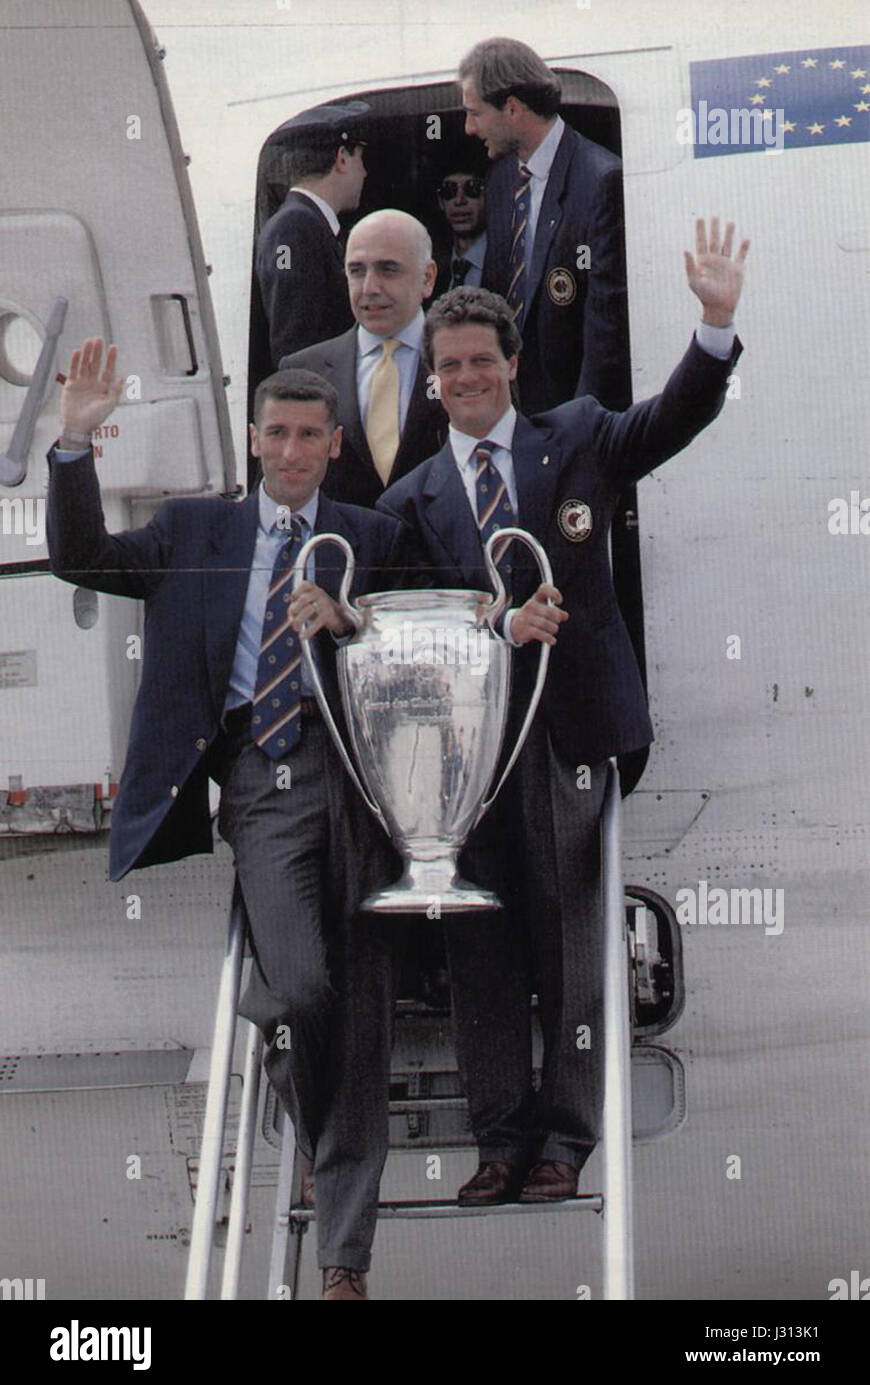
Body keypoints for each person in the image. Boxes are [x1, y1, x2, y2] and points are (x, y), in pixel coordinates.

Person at [377, 219, 748, 1204]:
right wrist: (494, 627)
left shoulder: (577, 434)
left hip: (573, 734)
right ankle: (500, 1143)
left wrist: (714, 326)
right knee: (480, 946)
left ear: (510, 364)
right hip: (470, 755)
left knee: (577, 944)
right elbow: (407, 629)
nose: (466, 378)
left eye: (481, 361)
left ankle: (565, 1142)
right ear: (432, 380)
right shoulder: (412, 499)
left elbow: (670, 419)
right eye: (448, 365)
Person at [46, 345, 408, 1299]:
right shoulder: (194, 529)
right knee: (299, 984)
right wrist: (75, 441)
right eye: (275, 434)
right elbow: (83, 558)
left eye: (308, 437)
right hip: (265, 780)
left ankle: (344, 1262)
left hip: (365, 786)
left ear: (334, 446)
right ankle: (286, 1059)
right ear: (253, 440)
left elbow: (421, 636)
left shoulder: (374, 532)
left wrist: (355, 622)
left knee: (361, 1016)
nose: (290, 452)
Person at [459, 36, 631, 414]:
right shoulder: (502, 177)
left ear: (514, 109)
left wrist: (579, 431)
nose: (469, 128)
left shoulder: (600, 181)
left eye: (475, 113)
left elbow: (606, 331)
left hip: (571, 418)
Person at [280, 209, 447, 509]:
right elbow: (276, 496)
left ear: (428, 278)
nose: (370, 288)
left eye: (388, 269)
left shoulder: (471, 366)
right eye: (357, 271)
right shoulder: (303, 371)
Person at [255, 102, 369, 367]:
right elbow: (296, 348)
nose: (365, 172)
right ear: (341, 158)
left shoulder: (306, 223)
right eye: (360, 159)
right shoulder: (294, 228)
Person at [431, 144, 489, 297]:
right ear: (440, 201)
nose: (459, 200)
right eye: (449, 190)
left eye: (472, 188)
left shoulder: (509, 265)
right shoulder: (431, 267)